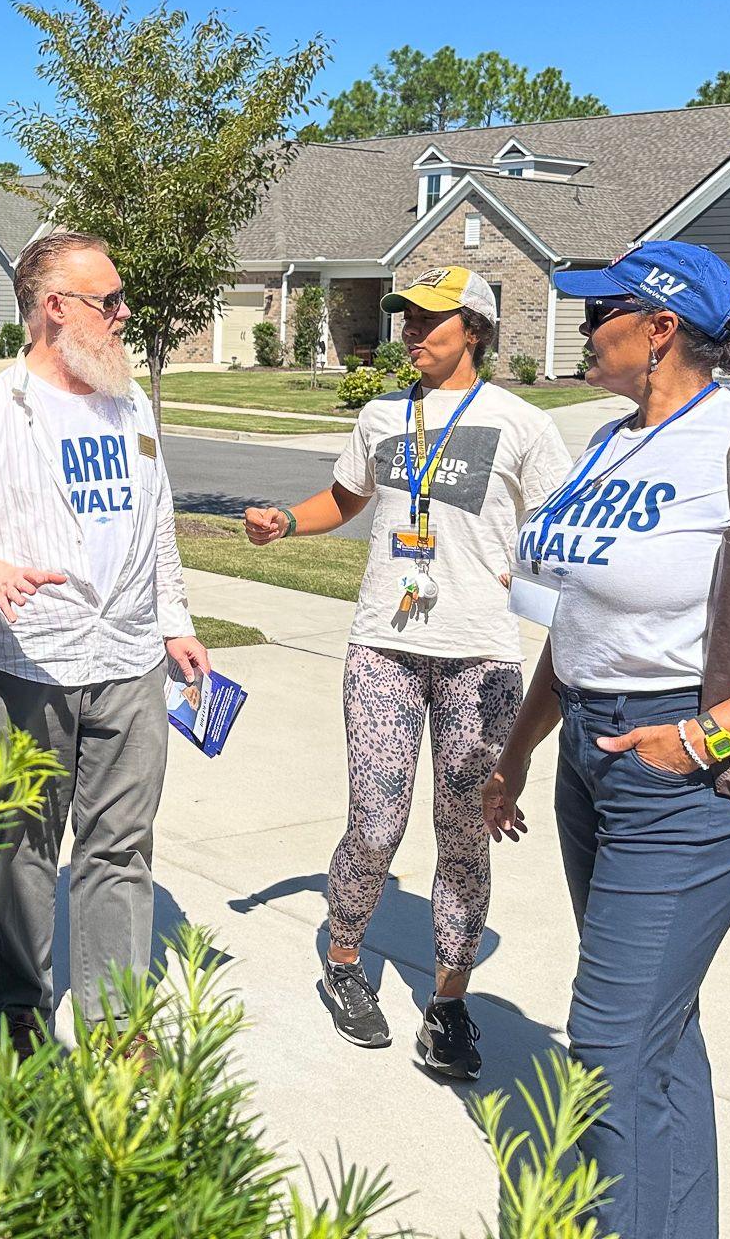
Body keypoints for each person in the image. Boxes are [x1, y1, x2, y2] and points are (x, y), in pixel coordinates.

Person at [482, 240, 730, 1239]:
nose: (580, 327)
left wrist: (697, 739)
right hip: (587, 752)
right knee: (656, 1036)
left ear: (658, 328)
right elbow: (580, 626)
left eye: (597, 311)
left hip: (682, 780)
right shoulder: (609, 441)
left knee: (608, 1049)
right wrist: (521, 749)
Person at [243, 266, 571, 1077]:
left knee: (463, 833)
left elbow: (558, 534)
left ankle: (449, 1006)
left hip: (481, 656)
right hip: (383, 646)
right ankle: (346, 959)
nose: (414, 333)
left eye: (433, 320)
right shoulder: (381, 416)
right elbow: (346, 501)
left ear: (477, 332)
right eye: (408, 318)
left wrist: (525, 577)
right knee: (377, 822)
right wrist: (288, 520)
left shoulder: (522, 425)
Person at [0, 232, 211, 1056]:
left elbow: (157, 525)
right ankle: (19, 1000)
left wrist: (175, 623)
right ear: (55, 309)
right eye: (107, 301)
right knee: (26, 843)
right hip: (27, 662)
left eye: (119, 301)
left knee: (120, 846)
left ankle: (117, 1021)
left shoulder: (132, 406)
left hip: (128, 661)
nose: (124, 315)